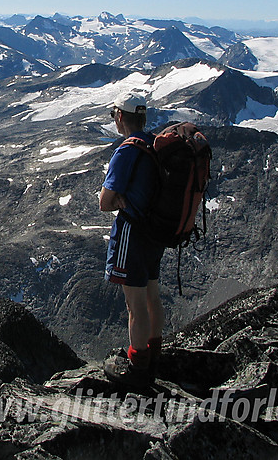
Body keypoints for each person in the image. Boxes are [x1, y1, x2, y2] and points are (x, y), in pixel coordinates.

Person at [99, 92, 165, 388]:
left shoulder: (126, 151)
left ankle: (138, 369)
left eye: (114, 114)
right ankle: (155, 356)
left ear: (121, 117)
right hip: (155, 232)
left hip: (133, 233)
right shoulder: (155, 144)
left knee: (134, 304)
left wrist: (120, 201)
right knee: (152, 296)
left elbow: (105, 201)